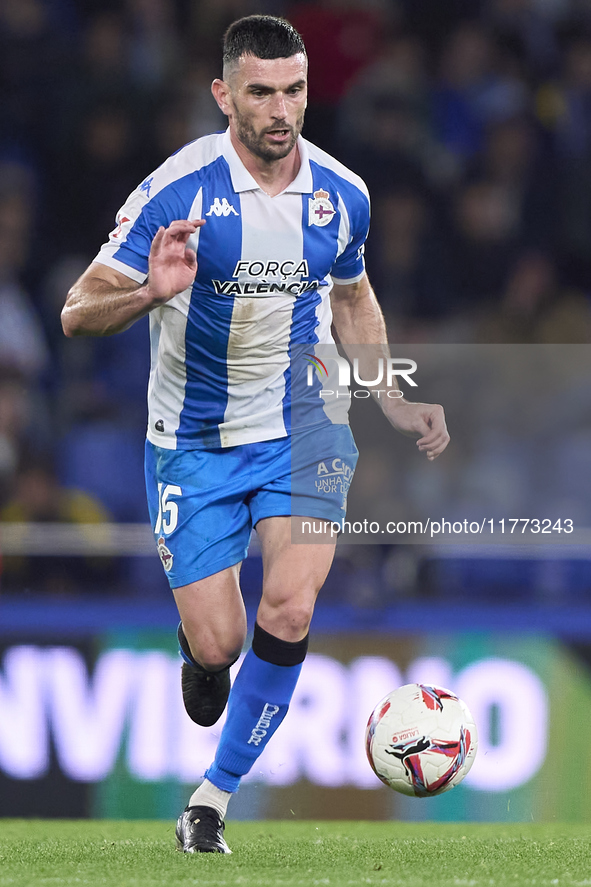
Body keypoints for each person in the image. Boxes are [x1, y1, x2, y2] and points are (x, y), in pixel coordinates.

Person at [61, 15, 449, 854]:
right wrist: (146, 293)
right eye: (262, 92)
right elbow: (75, 312)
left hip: (301, 425)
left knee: (291, 599)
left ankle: (211, 797)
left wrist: (388, 396)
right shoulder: (179, 190)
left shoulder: (341, 194)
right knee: (222, 641)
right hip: (193, 439)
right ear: (223, 94)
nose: (281, 110)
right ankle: (201, 658)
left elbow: (351, 296)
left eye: (295, 90)